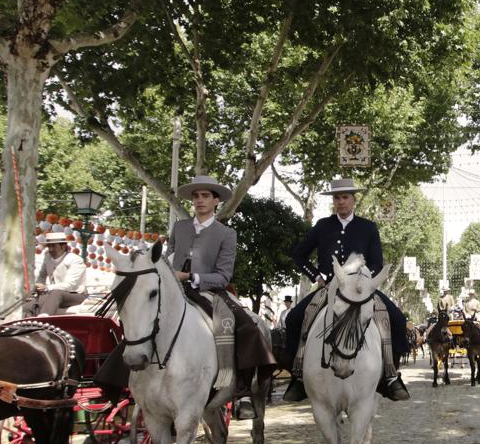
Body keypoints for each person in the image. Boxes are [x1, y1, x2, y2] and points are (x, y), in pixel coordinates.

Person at [282, 177, 410, 402]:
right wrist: (317, 276)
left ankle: (390, 375)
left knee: (397, 319)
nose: (341, 202)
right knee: (294, 319)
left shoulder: (368, 227)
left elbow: (377, 263)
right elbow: (299, 255)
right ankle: (299, 375)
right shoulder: (322, 226)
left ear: (353, 200)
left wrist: (365, 280)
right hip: (331, 287)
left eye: (345, 197)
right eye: (337, 198)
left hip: (361, 288)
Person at [168, 175, 274, 418]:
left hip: (209, 290)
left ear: (216, 201)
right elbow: (169, 256)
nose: (199, 200)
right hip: (175, 289)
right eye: (196, 196)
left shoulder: (226, 234)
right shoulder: (179, 227)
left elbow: (223, 276)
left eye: (205, 196)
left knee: (246, 326)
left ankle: (244, 389)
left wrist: (191, 277)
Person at [24, 232, 87, 316]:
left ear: (63, 246)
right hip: (53, 294)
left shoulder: (75, 260)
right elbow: (42, 275)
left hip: (75, 295)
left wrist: (46, 287)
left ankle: (43, 321)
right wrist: (39, 286)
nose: (50, 249)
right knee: (28, 305)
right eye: (49, 246)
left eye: (53, 246)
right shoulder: (47, 258)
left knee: (56, 293)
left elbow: (69, 285)